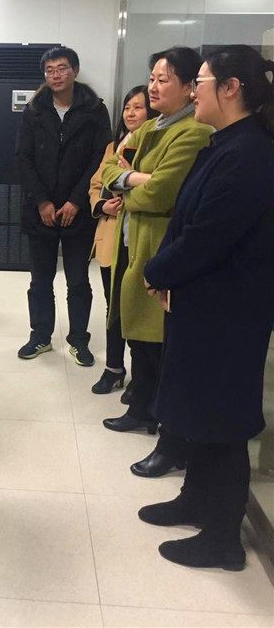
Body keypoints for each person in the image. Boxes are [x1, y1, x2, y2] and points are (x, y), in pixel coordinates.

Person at [139, 45, 274, 571]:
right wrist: (167, 272)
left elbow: (208, 235)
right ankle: (195, 500)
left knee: (221, 420)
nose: (194, 91)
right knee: (198, 411)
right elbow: (187, 222)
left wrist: (158, 270)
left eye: (200, 81)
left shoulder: (250, 154)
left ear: (231, 88)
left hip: (229, 311)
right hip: (202, 303)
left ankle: (222, 539)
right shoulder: (226, 144)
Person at [101, 47, 212, 479]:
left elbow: (162, 193)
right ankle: (142, 408)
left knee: (159, 342)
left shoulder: (193, 132)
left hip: (160, 243)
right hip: (133, 238)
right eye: (152, 78)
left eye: (163, 80)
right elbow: (109, 169)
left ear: (189, 87)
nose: (153, 86)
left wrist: (129, 184)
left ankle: (166, 429)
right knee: (138, 337)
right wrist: (133, 178)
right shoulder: (149, 126)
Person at [16, 46, 112, 365]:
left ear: (75, 71)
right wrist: (42, 201)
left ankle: (79, 340)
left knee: (78, 281)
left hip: (78, 212)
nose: (55, 75)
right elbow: (23, 158)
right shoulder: (34, 110)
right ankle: (41, 336)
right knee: (40, 280)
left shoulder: (95, 110)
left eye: (62, 68)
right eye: (49, 70)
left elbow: (101, 159)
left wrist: (76, 201)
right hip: (40, 211)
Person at [89, 86, 157, 395]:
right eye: (127, 107)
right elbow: (97, 183)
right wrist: (101, 205)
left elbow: (158, 188)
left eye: (138, 107)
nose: (130, 113)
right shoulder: (114, 146)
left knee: (139, 310)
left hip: (141, 239)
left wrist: (127, 184)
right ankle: (114, 369)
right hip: (111, 235)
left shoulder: (156, 146)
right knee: (113, 308)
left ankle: (142, 380)